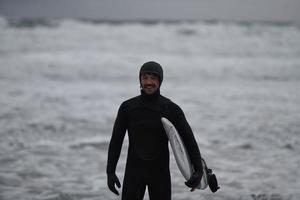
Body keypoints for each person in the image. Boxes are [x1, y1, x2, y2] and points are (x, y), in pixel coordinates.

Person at [106, 61, 203, 200]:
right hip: (134, 173)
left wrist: (198, 169)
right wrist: (110, 171)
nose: (149, 82)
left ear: (160, 81)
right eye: (145, 78)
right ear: (140, 80)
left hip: (160, 175)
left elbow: (188, 140)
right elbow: (116, 141)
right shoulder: (128, 108)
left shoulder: (171, 109)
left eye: (153, 78)